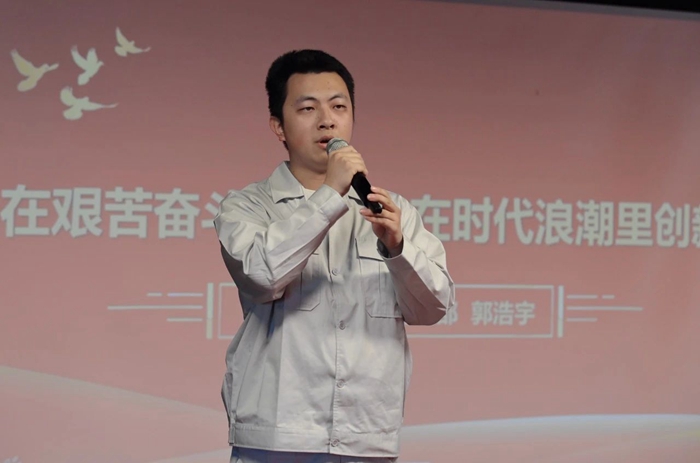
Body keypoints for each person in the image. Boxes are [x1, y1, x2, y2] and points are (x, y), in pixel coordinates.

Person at [214, 49, 455, 463]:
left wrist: (397, 248)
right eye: (308, 108)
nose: (327, 120)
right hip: (279, 436)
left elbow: (432, 308)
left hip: (366, 434)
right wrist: (330, 194)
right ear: (279, 126)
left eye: (339, 107)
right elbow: (261, 276)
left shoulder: (391, 210)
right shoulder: (248, 206)